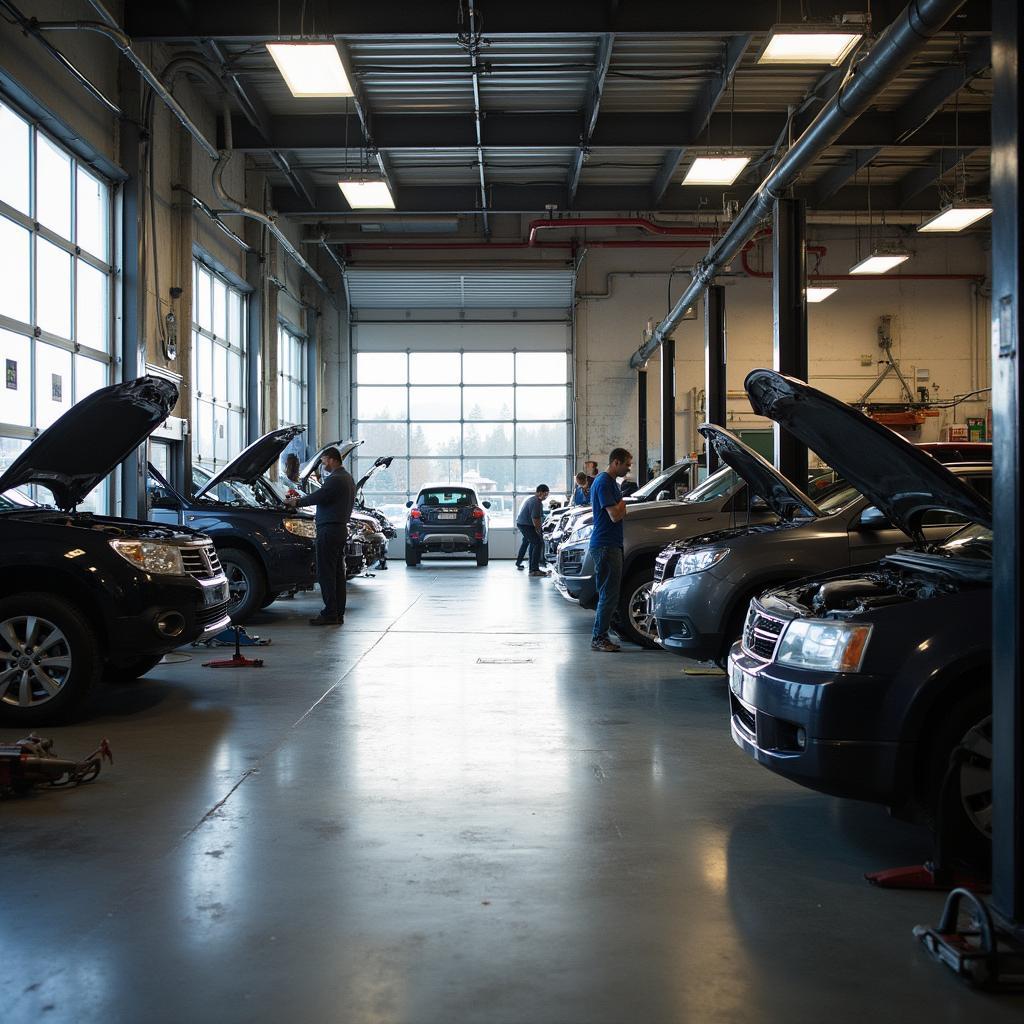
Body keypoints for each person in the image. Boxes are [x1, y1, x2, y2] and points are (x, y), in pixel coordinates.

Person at [285, 446, 355, 626]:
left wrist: (296, 502)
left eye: (323, 460)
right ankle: (338, 612)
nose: (322, 464)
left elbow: (318, 497)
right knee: (338, 573)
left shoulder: (336, 479)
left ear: (331, 459)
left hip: (329, 531)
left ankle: (330, 613)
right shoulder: (347, 478)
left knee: (326, 574)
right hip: (339, 530)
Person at [589, 448, 632, 652]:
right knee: (608, 594)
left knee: (609, 593)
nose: (628, 469)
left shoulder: (609, 483)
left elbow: (619, 512)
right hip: (606, 545)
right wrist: (624, 500)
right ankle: (599, 637)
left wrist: (621, 504)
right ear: (616, 462)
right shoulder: (605, 482)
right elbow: (615, 515)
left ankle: (603, 633)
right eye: (627, 464)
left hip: (610, 544)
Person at [516, 484, 550, 577]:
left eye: (547, 494)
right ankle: (534, 570)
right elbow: (535, 518)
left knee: (533, 543)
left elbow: (539, 517)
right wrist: (539, 530)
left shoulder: (535, 500)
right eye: (544, 494)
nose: (546, 496)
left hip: (525, 524)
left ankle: (532, 569)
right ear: (539, 492)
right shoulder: (536, 502)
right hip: (525, 524)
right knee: (537, 543)